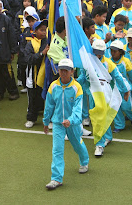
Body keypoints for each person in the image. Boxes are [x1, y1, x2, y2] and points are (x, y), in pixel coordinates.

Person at [43, 58, 89, 190]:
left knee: (77, 145)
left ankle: (84, 161)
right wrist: (46, 121)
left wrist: (71, 120)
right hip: (58, 123)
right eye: (61, 70)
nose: (63, 73)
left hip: (72, 124)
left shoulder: (77, 88)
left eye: (66, 70)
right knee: (57, 150)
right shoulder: (53, 86)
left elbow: (77, 109)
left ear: (72, 72)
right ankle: (56, 179)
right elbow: (49, 105)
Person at [0, 0, 19, 102]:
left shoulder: (5, 19)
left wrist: (13, 50)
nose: (0, 9)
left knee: (8, 72)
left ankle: (13, 91)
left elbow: (11, 35)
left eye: (1, 6)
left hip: (5, 51)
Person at [23, 19, 49, 128]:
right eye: (41, 30)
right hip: (33, 76)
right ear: (35, 31)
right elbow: (28, 59)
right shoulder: (30, 44)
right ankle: (31, 118)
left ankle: (48, 118)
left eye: (45, 30)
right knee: (33, 98)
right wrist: (41, 54)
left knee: (47, 98)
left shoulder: (48, 41)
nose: (44, 32)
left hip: (46, 75)